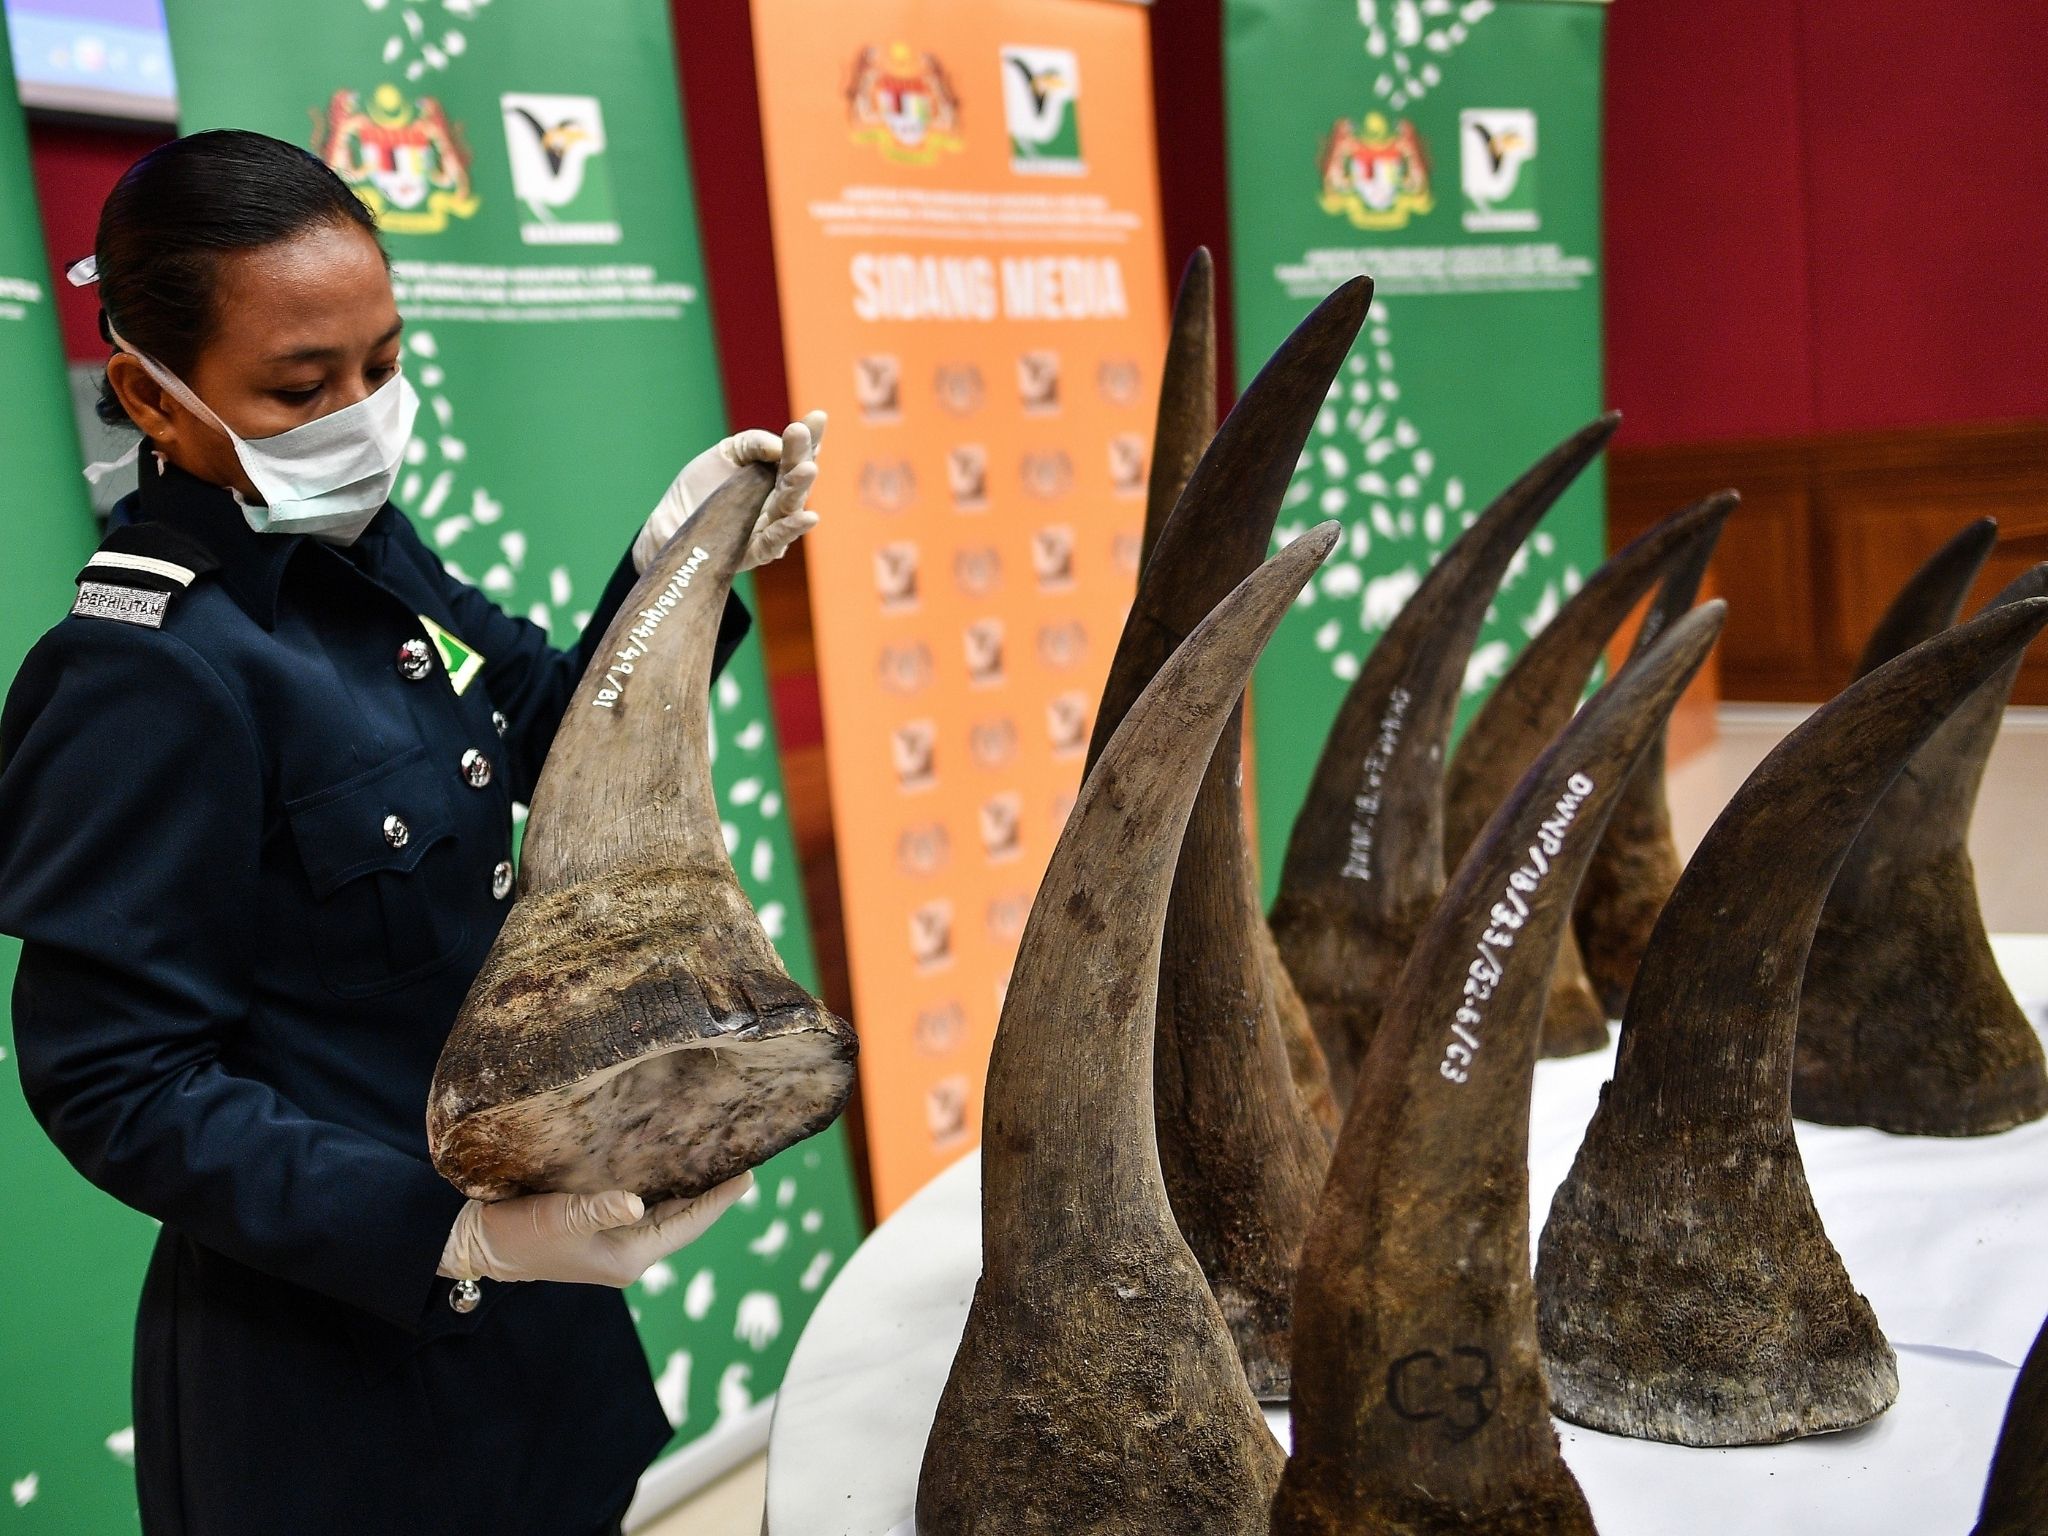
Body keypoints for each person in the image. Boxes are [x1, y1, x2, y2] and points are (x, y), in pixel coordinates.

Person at [0, 129, 824, 1536]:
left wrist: (676, 575)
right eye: (302, 385)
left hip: (530, 1341)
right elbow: (114, 1082)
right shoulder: (146, 668)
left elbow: (561, 758)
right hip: (335, 1386)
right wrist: (454, 1235)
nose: (362, 414)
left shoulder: (360, 552)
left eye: (381, 362)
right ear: (150, 391)